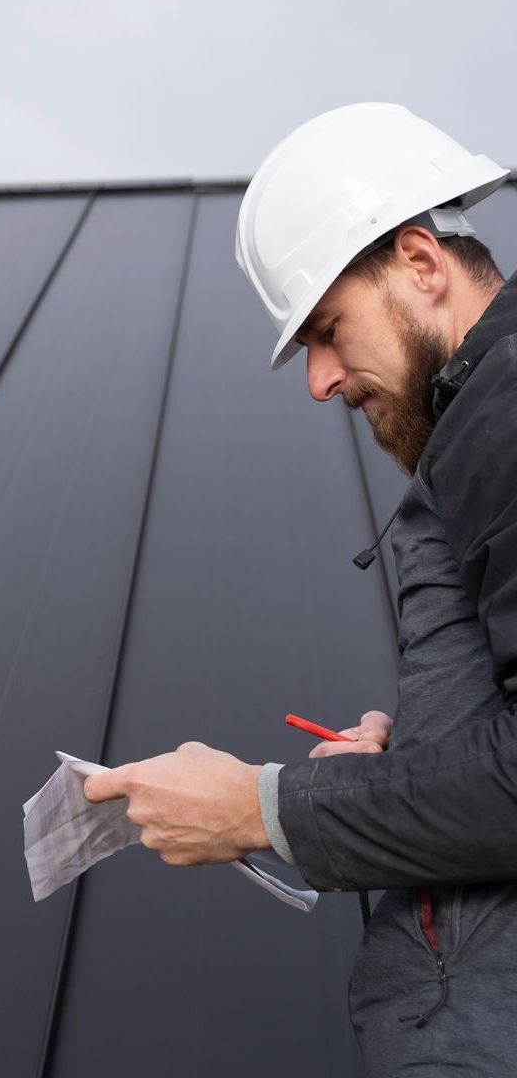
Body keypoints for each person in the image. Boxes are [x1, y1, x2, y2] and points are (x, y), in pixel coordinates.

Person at [82, 102, 517, 1074]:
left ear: (418, 262)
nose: (318, 379)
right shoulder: (477, 425)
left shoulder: (505, 409)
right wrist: (419, 749)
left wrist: (261, 806)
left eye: (326, 329)